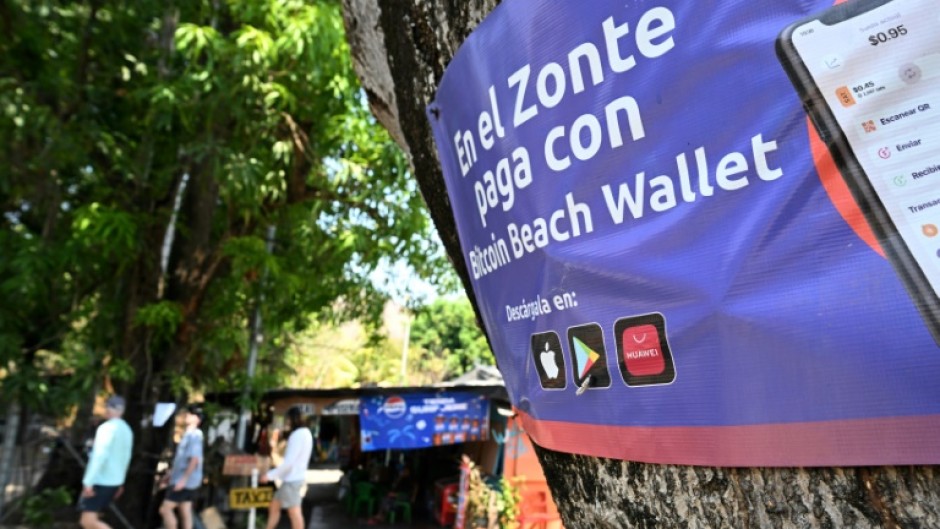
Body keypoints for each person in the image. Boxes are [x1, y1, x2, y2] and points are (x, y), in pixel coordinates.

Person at [78, 395, 134, 529]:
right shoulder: (127, 430)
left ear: (109, 409)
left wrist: (88, 482)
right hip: (115, 481)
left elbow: (98, 457)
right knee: (92, 519)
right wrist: (121, 481)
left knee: (87, 521)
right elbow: (126, 457)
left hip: (101, 481)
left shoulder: (106, 428)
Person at [260, 407, 313, 529]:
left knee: (294, 512)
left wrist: (269, 475)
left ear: (293, 419)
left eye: (288, 419)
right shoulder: (306, 433)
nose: (286, 422)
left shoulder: (297, 435)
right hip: (293, 478)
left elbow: (289, 463)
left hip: (292, 480)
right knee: (274, 506)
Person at [159, 405, 205, 529]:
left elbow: (194, 459)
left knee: (165, 509)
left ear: (197, 419)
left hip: (185, 481)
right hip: (183, 479)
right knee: (185, 509)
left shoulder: (195, 435)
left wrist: (183, 480)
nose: (187, 415)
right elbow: (181, 459)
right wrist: (170, 474)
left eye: (191, 414)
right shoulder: (188, 434)